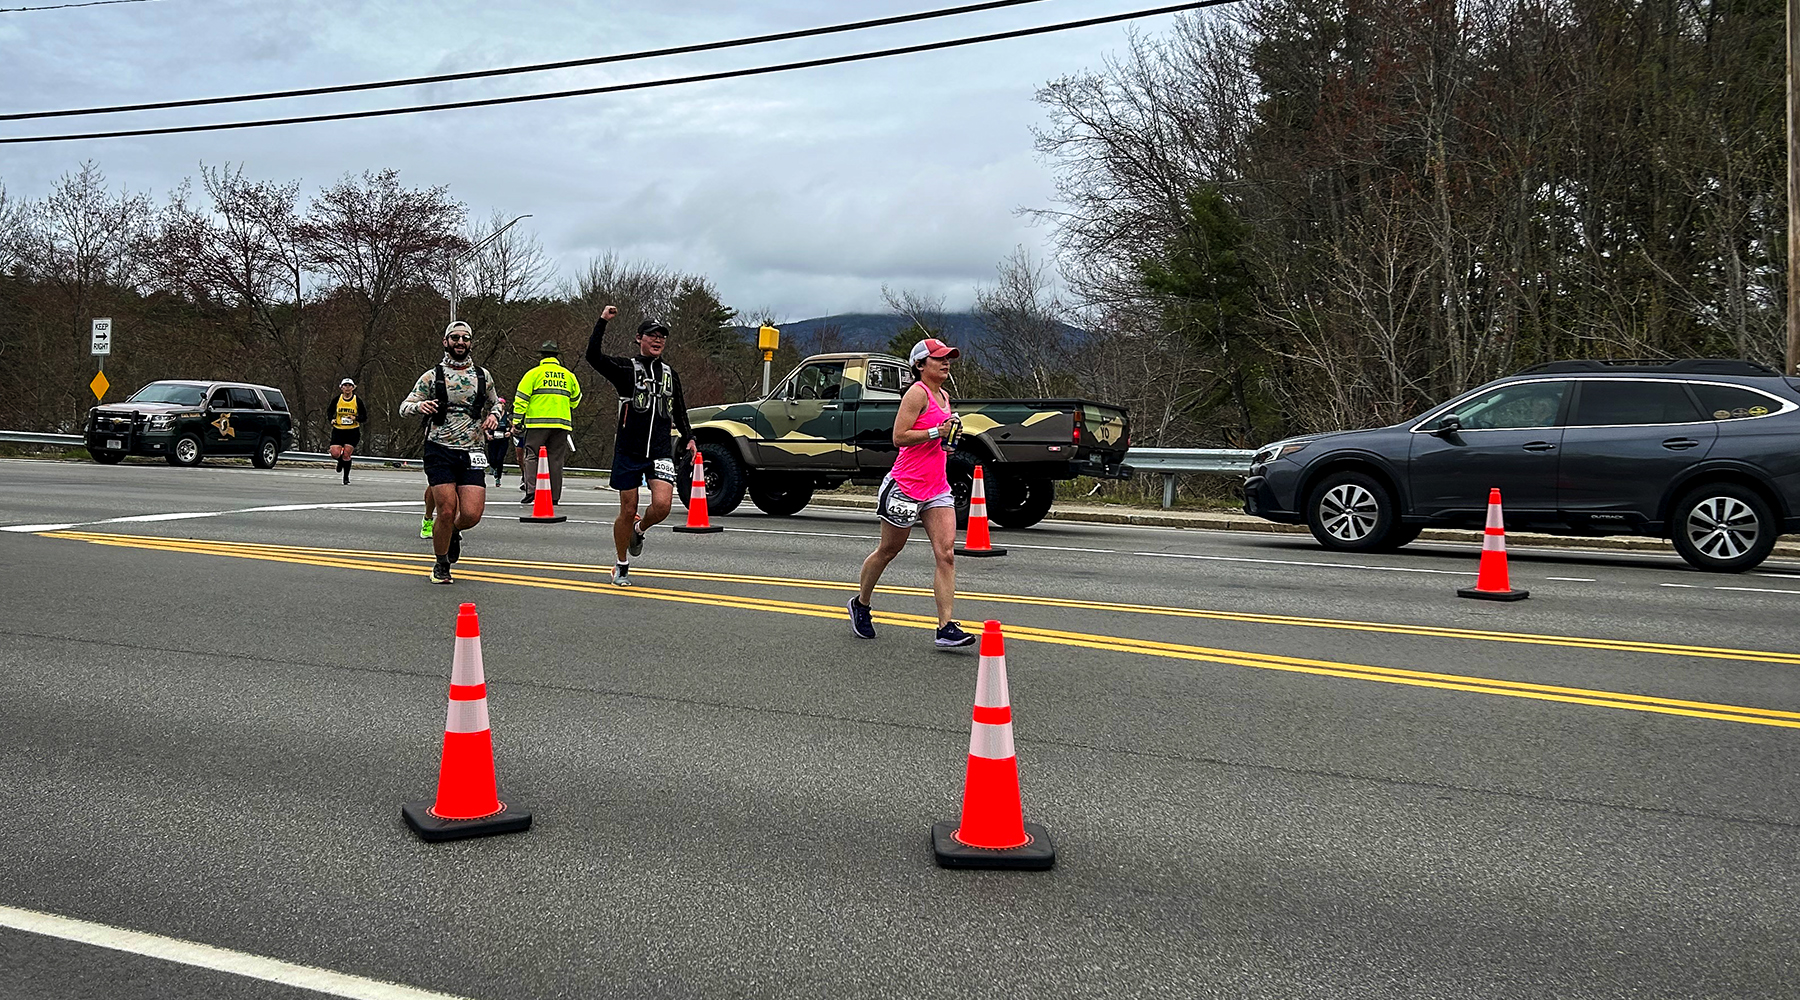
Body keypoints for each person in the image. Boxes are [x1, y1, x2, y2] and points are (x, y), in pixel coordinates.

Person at [847, 338, 977, 648]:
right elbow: (899, 437)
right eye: (939, 359)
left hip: (937, 488)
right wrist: (936, 432)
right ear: (920, 365)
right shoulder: (916, 394)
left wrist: (949, 438)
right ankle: (861, 603)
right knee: (889, 550)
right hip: (906, 486)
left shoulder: (944, 395)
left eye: (948, 359)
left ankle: (945, 627)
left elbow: (942, 439)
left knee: (946, 554)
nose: (946, 364)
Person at [585, 306, 696, 587]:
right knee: (628, 506)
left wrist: (689, 437)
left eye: (662, 337)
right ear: (639, 339)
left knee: (662, 505)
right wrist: (602, 322)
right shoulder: (625, 368)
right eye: (652, 335)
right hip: (629, 451)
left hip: (659, 450)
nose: (658, 340)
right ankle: (621, 564)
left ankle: (640, 528)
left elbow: (679, 408)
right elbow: (593, 357)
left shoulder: (670, 373)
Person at [399, 320, 503, 584]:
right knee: (446, 510)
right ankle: (441, 563)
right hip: (439, 448)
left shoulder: (483, 376)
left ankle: (454, 531)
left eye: (465, 338)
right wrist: (420, 407)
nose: (460, 342)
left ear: (470, 343)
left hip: (472, 450)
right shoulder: (432, 376)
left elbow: (498, 404)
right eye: (455, 338)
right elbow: (404, 406)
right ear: (446, 342)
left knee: (471, 514)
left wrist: (493, 417)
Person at [513, 341, 583, 503]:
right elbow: (576, 399)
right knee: (556, 459)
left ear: (542, 356)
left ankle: (531, 490)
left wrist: (517, 421)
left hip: (537, 424)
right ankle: (554, 497)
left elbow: (521, 399)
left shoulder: (533, 374)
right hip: (561, 423)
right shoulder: (568, 375)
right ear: (556, 356)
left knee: (531, 455)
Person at [328, 378, 367, 486]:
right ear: (341, 388)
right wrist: (331, 419)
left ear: (353, 388)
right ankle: (340, 462)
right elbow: (330, 411)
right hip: (338, 430)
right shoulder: (337, 399)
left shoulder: (357, 401)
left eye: (349, 386)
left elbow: (364, 417)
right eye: (345, 386)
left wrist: (355, 418)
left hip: (352, 431)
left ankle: (346, 478)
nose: (347, 388)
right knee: (335, 453)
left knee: (346, 454)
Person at [486, 396, 514, 488]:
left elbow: (513, 426)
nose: (500, 405)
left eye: (501, 404)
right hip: (493, 439)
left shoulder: (508, 415)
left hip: (503, 440)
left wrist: (509, 432)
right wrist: (487, 435)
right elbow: (485, 426)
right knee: (492, 459)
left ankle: (498, 477)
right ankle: (493, 468)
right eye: (498, 403)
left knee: (500, 459)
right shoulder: (491, 415)